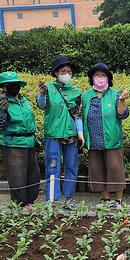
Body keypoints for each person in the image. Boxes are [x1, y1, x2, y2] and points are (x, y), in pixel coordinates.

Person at [81, 62, 130, 209]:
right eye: (97, 75)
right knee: (98, 169)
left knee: (115, 169)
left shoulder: (115, 94)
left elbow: (122, 115)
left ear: (108, 78)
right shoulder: (86, 96)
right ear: (92, 78)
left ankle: (118, 200)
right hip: (94, 139)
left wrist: (122, 101)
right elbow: (79, 115)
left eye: (103, 75)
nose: (100, 78)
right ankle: (105, 199)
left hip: (112, 139)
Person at [37, 55, 83, 208]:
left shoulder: (75, 91)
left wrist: (80, 133)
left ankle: (69, 199)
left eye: (69, 71)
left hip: (71, 135)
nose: (66, 74)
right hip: (53, 135)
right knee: (52, 166)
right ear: (56, 73)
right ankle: (52, 200)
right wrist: (42, 93)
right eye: (63, 71)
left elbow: (78, 114)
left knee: (71, 167)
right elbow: (41, 105)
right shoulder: (48, 88)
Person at [0, 71, 39, 208]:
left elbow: (29, 120)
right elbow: (0, 125)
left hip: (29, 141)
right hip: (13, 143)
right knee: (17, 176)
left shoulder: (24, 100)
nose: (13, 86)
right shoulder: (0, 103)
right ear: (4, 87)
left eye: (15, 83)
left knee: (33, 175)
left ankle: (30, 202)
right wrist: (2, 113)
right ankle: (20, 205)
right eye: (9, 84)